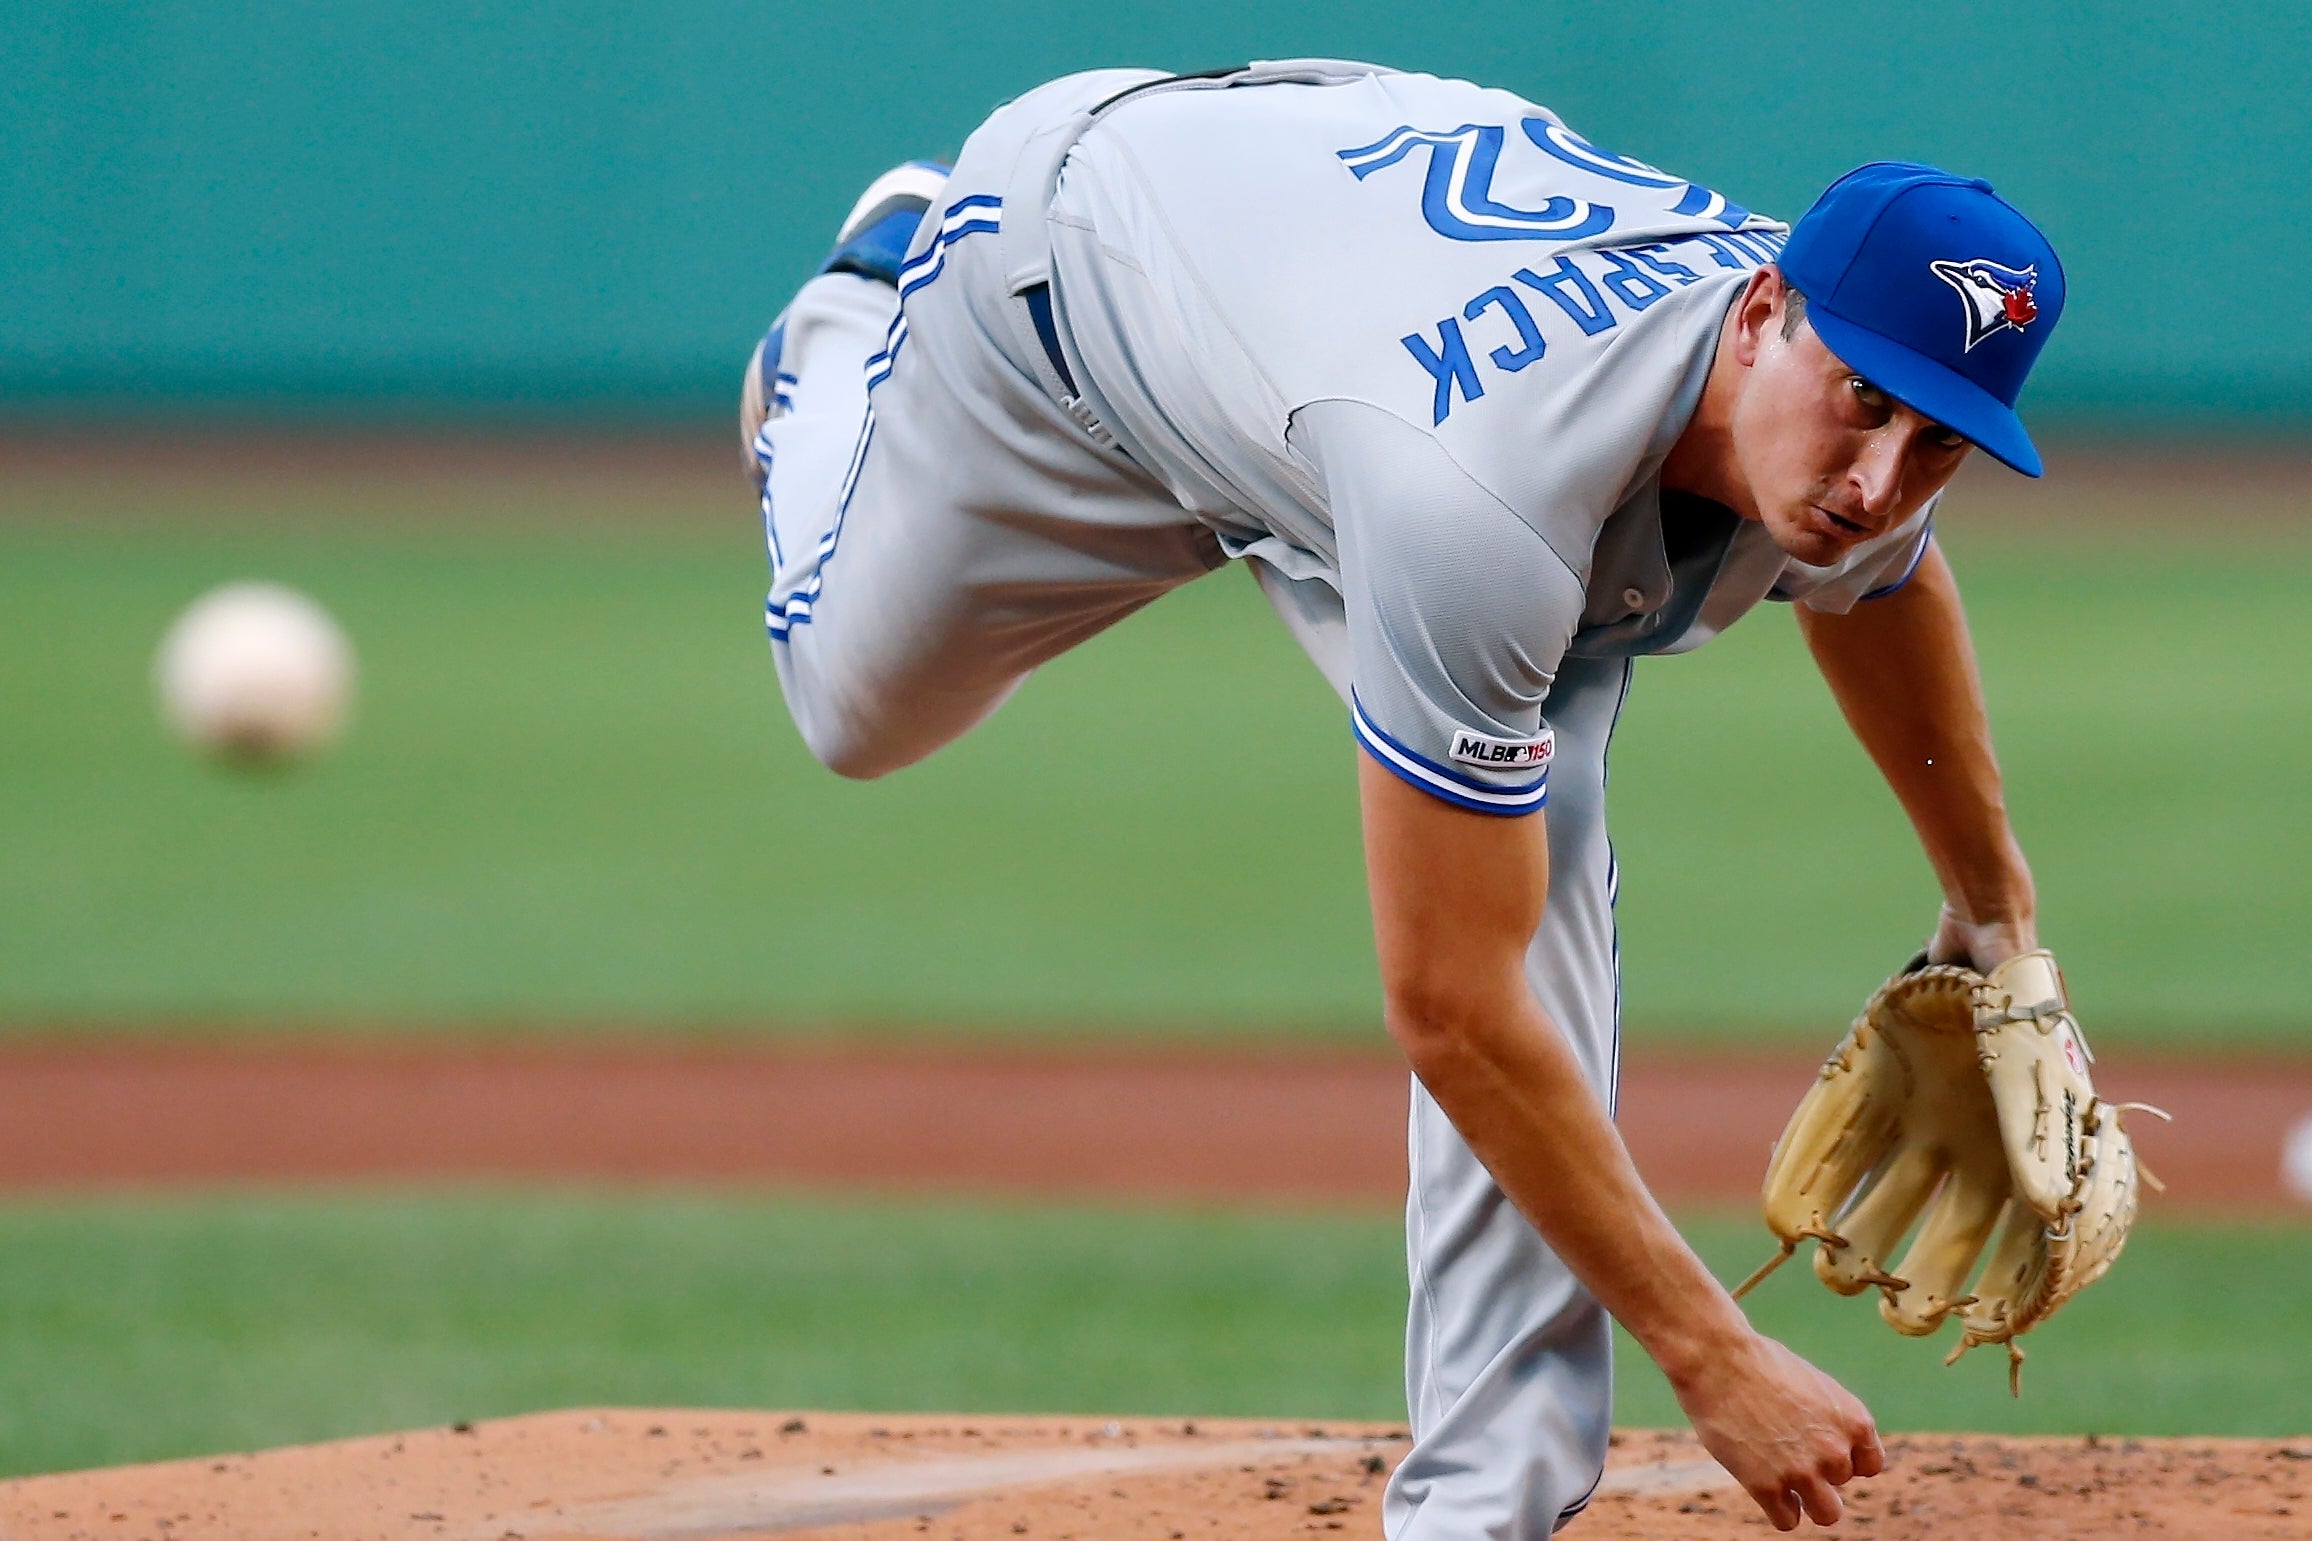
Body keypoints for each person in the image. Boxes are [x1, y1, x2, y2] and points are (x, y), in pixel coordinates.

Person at [740, 60, 2064, 1537]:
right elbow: (1448, 1003)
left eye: (1938, 440)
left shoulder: (1819, 368)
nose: (1882, 478)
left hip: (1329, 353)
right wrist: (1714, 1352)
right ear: (1759, 316)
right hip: (1064, 295)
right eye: (1867, 407)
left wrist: (1994, 910)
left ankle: (1478, 1511)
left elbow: (1879, 577)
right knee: (856, 707)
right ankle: (855, 311)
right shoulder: (1485, 493)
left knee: (1541, 840)